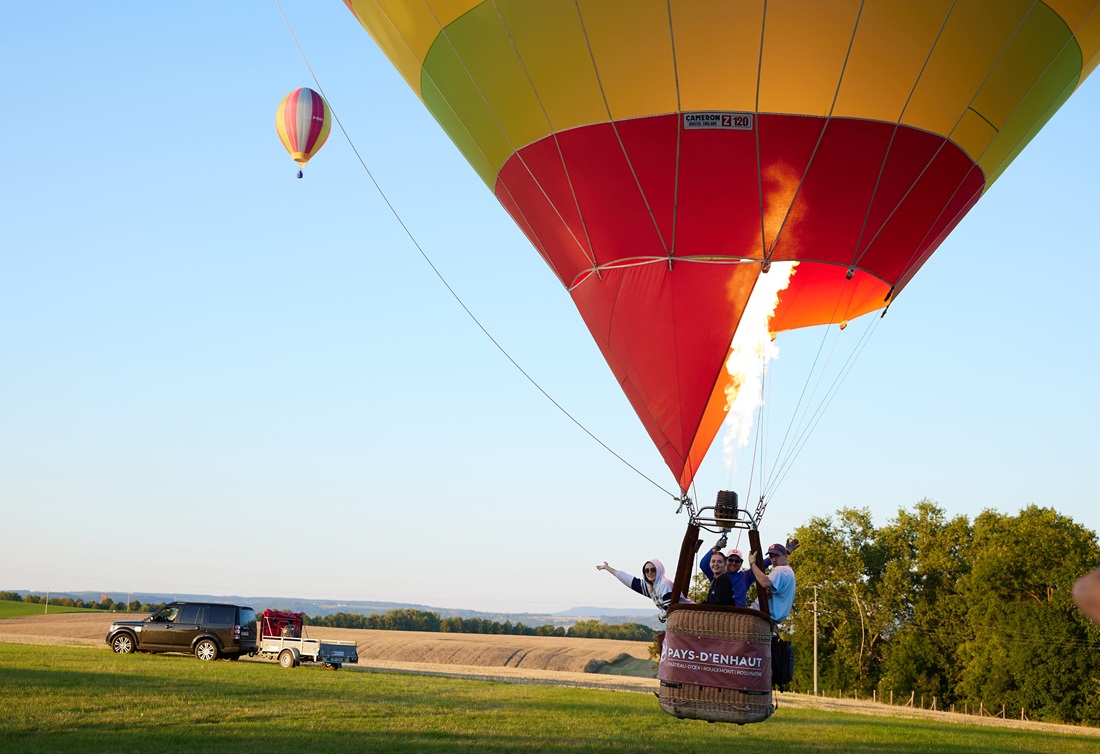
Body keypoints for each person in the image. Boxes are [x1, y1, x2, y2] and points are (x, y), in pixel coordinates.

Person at [596, 558, 689, 622]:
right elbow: (629, 580)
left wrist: (661, 616)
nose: (649, 573)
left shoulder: (664, 584)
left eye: (653, 570)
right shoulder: (651, 587)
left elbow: (669, 606)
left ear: (659, 570)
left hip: (689, 615)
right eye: (646, 570)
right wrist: (608, 568)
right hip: (679, 619)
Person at [749, 542, 796, 623]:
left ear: (785, 556)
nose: (774, 560)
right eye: (771, 557)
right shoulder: (789, 571)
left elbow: (765, 582)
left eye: (777, 556)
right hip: (770, 619)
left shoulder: (781, 570)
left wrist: (752, 564)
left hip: (758, 617)